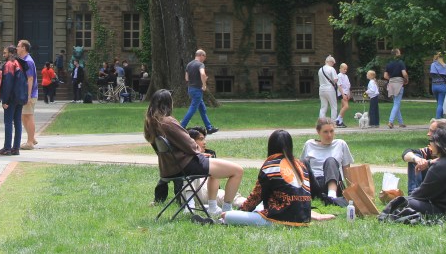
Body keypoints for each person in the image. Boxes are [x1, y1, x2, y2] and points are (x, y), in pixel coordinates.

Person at [143, 89, 243, 219]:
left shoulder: (151, 124)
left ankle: (213, 208)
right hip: (185, 166)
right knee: (237, 171)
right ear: (168, 103)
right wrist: (199, 153)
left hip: (170, 168)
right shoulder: (168, 122)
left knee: (216, 168)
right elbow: (190, 143)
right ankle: (227, 211)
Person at [221, 130, 335, 227]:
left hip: (279, 218)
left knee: (227, 216)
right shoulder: (300, 165)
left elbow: (255, 197)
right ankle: (312, 215)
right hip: (302, 217)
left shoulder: (270, 165)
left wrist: (240, 212)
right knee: (260, 207)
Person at [402, 118, 446, 194]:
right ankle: (413, 194)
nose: (428, 134)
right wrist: (416, 159)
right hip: (439, 186)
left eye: (432, 131)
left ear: (443, 133)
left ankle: (415, 197)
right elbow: (406, 153)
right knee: (415, 157)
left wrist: (428, 163)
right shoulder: (433, 149)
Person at [300, 117, 353, 206]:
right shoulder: (309, 144)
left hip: (335, 183)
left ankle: (331, 196)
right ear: (318, 132)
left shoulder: (340, 144)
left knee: (330, 160)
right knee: (303, 162)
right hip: (315, 183)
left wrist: (352, 191)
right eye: (325, 132)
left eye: (331, 131)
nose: (329, 135)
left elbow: (347, 171)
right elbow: (302, 169)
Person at [0, 46, 27, 155]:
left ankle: (7, 147)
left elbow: (8, 84)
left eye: (5, 53)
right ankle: (16, 148)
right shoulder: (19, 63)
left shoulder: (9, 64)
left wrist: (5, 100)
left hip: (11, 97)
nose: (3, 55)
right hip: (20, 97)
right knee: (17, 122)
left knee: (8, 122)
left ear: (10, 53)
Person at [180, 49, 219, 134]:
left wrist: (198, 79)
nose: (204, 59)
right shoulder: (200, 64)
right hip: (197, 90)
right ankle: (182, 126)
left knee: (202, 109)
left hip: (190, 89)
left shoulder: (189, 64)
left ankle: (209, 128)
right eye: (204, 57)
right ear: (201, 55)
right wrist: (204, 85)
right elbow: (202, 74)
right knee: (193, 108)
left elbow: (187, 78)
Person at [17, 39, 39, 149]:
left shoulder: (28, 61)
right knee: (24, 116)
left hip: (29, 93)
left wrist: (28, 96)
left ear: (24, 48)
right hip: (26, 93)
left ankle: (30, 142)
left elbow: (30, 78)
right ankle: (32, 138)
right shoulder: (24, 60)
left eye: (18, 46)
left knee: (29, 116)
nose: (17, 48)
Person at [384, 48, 408, 128]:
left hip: (391, 84)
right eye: (399, 52)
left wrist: (391, 79)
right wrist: (406, 79)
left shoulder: (389, 64)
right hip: (399, 83)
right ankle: (390, 121)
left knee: (396, 103)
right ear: (397, 53)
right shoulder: (400, 63)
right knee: (397, 104)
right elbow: (404, 74)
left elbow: (385, 76)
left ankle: (401, 122)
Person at [317, 55, 339, 122]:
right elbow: (335, 80)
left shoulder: (320, 69)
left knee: (323, 107)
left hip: (321, 89)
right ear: (330, 62)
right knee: (334, 106)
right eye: (333, 63)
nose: (333, 64)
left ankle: (321, 122)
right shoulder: (331, 69)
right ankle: (333, 121)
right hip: (330, 89)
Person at [429, 53, 446, 120]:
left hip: (434, 85)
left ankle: (441, 117)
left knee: (439, 103)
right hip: (442, 85)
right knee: (440, 103)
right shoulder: (445, 65)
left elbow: (431, 74)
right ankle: (438, 118)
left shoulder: (433, 65)